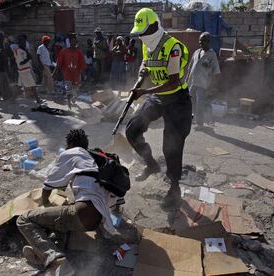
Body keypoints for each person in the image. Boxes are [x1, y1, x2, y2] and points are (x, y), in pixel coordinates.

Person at [16, 129, 121, 271]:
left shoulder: (73, 152)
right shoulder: (95, 160)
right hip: (97, 221)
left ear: (70, 144)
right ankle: (56, 255)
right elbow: (114, 201)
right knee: (60, 223)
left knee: (24, 220)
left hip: (82, 213)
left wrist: (45, 205)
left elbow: (49, 184)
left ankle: (51, 257)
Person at [125, 8, 192, 207]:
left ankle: (174, 187)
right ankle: (152, 166)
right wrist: (142, 74)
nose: (141, 36)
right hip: (158, 97)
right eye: (139, 32)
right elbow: (146, 66)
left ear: (154, 26)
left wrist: (144, 92)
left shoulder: (173, 47)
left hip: (177, 99)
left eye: (144, 31)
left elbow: (172, 82)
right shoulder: (147, 46)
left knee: (171, 145)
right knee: (132, 129)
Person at [187, 32, 220, 130]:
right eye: (199, 41)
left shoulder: (212, 55)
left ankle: (200, 124)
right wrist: (186, 78)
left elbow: (216, 72)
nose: (200, 43)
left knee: (200, 103)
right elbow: (190, 66)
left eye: (202, 41)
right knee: (189, 101)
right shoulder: (197, 52)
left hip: (203, 83)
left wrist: (212, 86)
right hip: (192, 82)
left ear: (208, 42)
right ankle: (191, 119)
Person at [56, 33, 86, 109]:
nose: (74, 43)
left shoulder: (79, 52)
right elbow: (59, 62)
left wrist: (83, 74)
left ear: (76, 43)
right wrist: (56, 72)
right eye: (72, 41)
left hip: (76, 74)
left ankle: (73, 98)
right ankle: (69, 102)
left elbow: (82, 64)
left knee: (75, 88)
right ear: (69, 42)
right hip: (67, 74)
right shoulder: (64, 51)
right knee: (68, 89)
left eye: (75, 42)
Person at [13, 35, 43, 105]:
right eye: (22, 41)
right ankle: (38, 100)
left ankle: (13, 99)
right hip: (24, 70)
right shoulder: (18, 51)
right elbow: (21, 63)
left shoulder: (23, 50)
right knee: (32, 85)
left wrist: (28, 57)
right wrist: (28, 58)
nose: (24, 43)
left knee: (19, 86)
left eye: (24, 41)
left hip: (24, 70)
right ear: (19, 43)